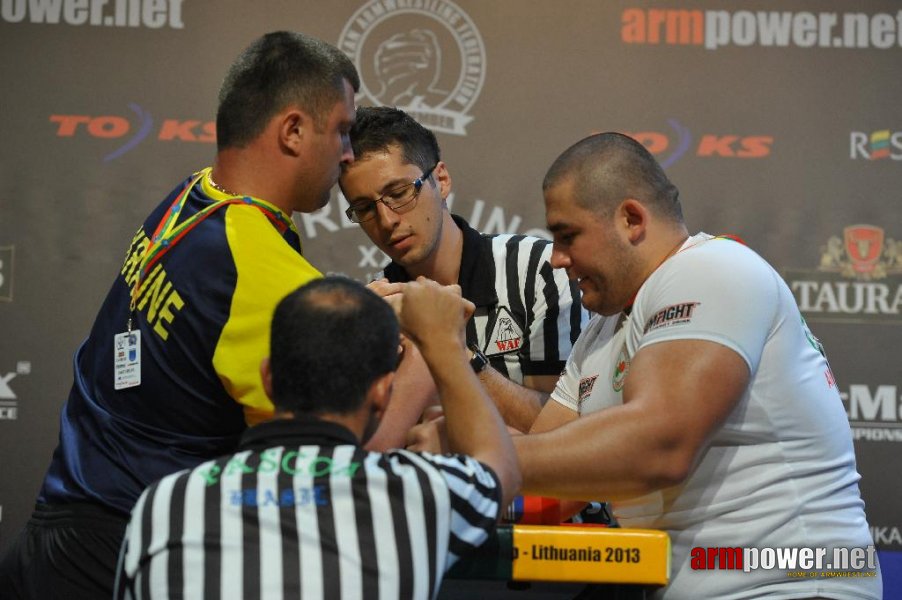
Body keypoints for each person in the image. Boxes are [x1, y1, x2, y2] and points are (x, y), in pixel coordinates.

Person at [0, 32, 360, 599]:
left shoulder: (195, 194)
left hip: (54, 532)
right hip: (121, 559)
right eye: (341, 129)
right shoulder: (264, 271)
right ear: (292, 130)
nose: (348, 153)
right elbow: (316, 461)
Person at [509, 132, 881, 598]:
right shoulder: (599, 334)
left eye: (568, 236)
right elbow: (551, 485)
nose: (557, 258)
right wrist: (449, 373)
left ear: (631, 218)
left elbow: (660, 445)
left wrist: (469, 459)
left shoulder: (711, 268)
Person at [114, 276, 520, 600]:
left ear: (268, 378)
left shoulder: (164, 503)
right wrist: (443, 343)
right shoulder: (416, 490)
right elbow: (498, 466)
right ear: (382, 392)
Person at [339, 106, 589, 447]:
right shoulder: (373, 308)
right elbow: (366, 450)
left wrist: (450, 349)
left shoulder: (539, 270)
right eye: (366, 208)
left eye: (398, 194)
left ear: (440, 180)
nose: (386, 220)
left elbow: (563, 433)